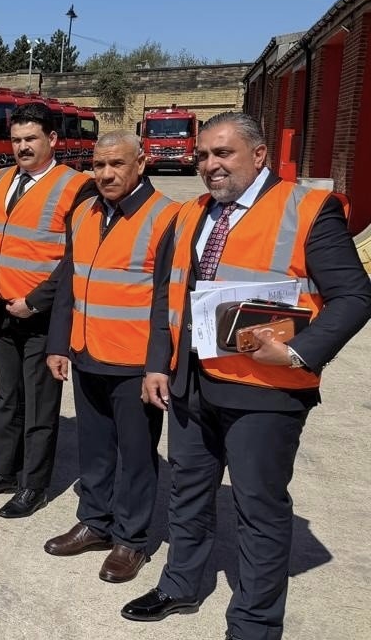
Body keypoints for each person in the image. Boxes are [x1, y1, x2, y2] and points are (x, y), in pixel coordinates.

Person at [123, 112, 371, 639]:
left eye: (223, 153)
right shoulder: (189, 214)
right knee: (187, 492)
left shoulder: (307, 209)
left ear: (259, 155)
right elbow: (167, 296)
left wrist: (300, 353)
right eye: (203, 156)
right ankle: (180, 585)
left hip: (265, 392)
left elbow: (355, 296)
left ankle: (254, 624)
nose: (209, 165)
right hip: (191, 383)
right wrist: (156, 364)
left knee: (258, 507)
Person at [43, 131, 177, 583]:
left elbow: (167, 299)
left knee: (136, 455)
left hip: (134, 364)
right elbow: (69, 281)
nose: (105, 174)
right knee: (94, 448)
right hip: (86, 353)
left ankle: (130, 540)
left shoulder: (165, 217)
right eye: (98, 165)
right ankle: (95, 522)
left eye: (116, 164)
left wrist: (157, 364)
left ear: (141, 162)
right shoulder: (84, 212)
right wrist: (58, 344)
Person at [0, 101, 93, 517]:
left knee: (39, 404)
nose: (22, 147)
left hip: (41, 316)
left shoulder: (76, 187)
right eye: (16, 139)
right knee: (8, 396)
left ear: (52, 139)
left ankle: (33, 485)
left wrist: (35, 301)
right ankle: (3, 470)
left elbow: (76, 257)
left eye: (31, 139)